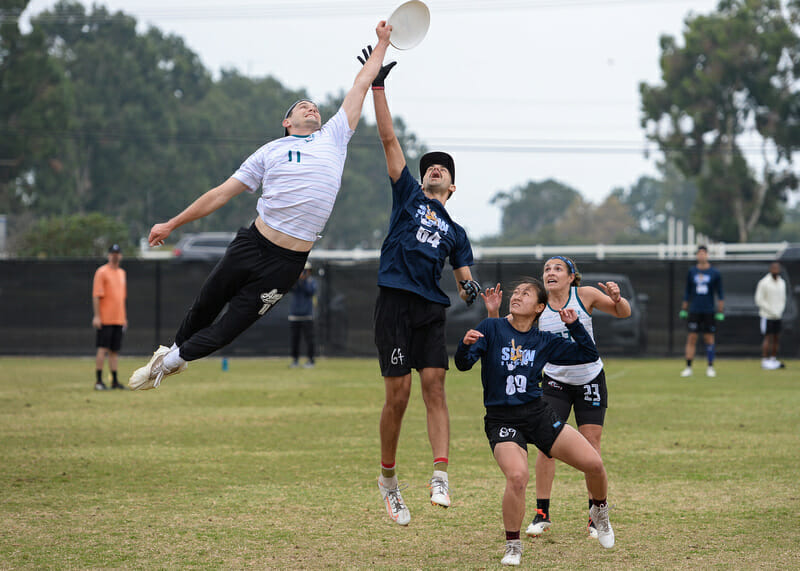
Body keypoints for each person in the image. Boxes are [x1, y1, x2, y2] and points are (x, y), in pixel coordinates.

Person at [128, 22, 393, 390]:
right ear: (287, 123)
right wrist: (172, 224)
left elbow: (361, 84)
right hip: (252, 244)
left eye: (313, 106)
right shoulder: (270, 151)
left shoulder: (334, 137)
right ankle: (170, 353)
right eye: (302, 107)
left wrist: (382, 43)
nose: (310, 107)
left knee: (229, 327)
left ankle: (170, 362)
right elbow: (220, 194)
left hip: (287, 264)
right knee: (206, 304)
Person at [365, 53, 480, 526]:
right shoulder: (408, 194)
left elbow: (465, 284)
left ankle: (440, 476)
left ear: (453, 186)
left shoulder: (457, 231)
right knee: (399, 395)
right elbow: (389, 138)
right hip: (394, 299)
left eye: (442, 169)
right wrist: (377, 87)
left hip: (430, 308)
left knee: (435, 386)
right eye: (429, 165)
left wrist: (477, 296)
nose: (434, 169)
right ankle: (389, 482)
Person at [456, 278, 615, 566]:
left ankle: (600, 513)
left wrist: (574, 325)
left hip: (537, 415)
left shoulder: (544, 340)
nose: (516, 296)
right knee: (517, 477)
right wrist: (464, 345)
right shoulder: (491, 327)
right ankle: (513, 546)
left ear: (540, 307)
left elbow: (588, 355)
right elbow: (463, 363)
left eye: (525, 294)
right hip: (502, 419)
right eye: (515, 292)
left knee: (594, 464)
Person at [483, 256, 630, 540]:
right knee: (545, 445)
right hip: (555, 380)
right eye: (547, 269)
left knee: (591, 445)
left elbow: (622, 312)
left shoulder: (584, 295)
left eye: (557, 268)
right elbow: (506, 332)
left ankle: (594, 516)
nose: (550, 272)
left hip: (589, 378)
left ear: (572, 276)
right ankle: (542, 513)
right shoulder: (537, 307)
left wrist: (617, 298)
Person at [679, 245, 724, 378]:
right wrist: (684, 308)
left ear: (707, 255)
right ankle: (688, 367)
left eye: (704, 253)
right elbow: (687, 292)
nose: (701, 256)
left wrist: (720, 310)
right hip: (695, 310)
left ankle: (710, 367)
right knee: (691, 338)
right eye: (699, 253)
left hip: (709, 310)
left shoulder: (715, 273)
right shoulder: (692, 271)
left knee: (709, 338)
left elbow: (720, 293)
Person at [92, 243, 128, 390]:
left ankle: (114, 380)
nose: (115, 256)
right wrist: (97, 316)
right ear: (109, 255)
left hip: (118, 318)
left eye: (117, 253)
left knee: (114, 351)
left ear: (120, 255)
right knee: (102, 349)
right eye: (113, 253)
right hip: (105, 318)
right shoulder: (102, 272)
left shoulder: (122, 273)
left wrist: (124, 317)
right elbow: (96, 295)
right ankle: (99, 381)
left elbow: (122, 298)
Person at [755, 261, 787, 370]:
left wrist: (779, 310)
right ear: (770, 269)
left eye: (777, 268)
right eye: (774, 268)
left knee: (776, 338)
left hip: (778, 315)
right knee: (767, 337)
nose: (775, 270)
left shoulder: (782, 283)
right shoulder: (764, 282)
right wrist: (771, 310)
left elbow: (783, 299)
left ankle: (773, 359)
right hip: (767, 315)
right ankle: (765, 360)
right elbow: (759, 300)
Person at [288, 261, 317, 368]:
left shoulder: (311, 282)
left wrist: (303, 281)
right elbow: (291, 289)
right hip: (295, 315)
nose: (304, 273)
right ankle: (295, 360)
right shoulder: (294, 281)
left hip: (307, 315)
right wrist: (297, 279)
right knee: (295, 339)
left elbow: (310, 291)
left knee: (309, 339)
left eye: (306, 270)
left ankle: (310, 360)